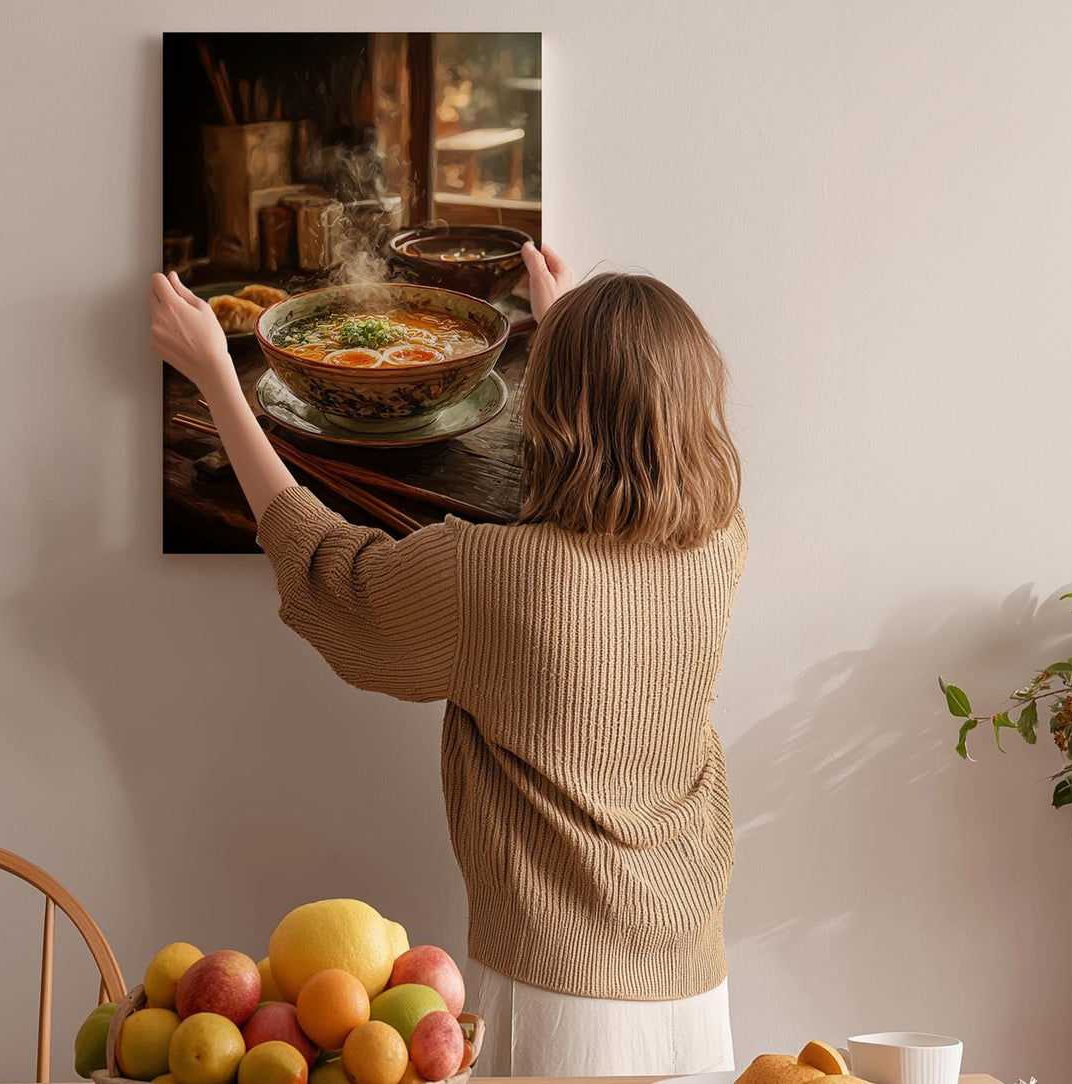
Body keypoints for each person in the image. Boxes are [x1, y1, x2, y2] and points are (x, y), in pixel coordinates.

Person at [149, 242, 746, 1076]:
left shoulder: (490, 575)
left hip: (556, 990)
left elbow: (326, 565)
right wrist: (563, 323)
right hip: (693, 978)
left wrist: (217, 374)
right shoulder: (718, 546)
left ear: (551, 402)